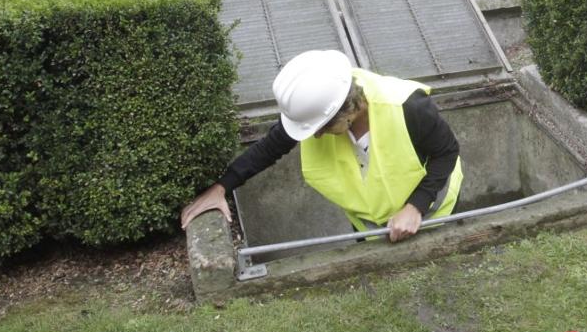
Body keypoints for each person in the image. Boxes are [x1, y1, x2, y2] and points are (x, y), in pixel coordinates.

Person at [181, 49, 462, 242]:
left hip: (431, 214)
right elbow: (269, 148)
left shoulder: (408, 106)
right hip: (370, 225)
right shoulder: (319, 104)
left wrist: (416, 206)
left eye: (321, 129)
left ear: (348, 110)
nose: (314, 137)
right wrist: (221, 188)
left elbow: (447, 152)